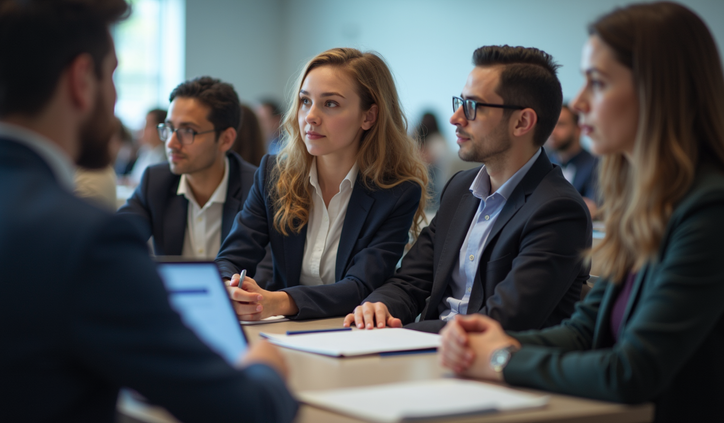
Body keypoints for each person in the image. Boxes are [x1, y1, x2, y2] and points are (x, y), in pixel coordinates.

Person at [0, 1, 297, 422]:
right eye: (112, 76)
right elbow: (243, 411)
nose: (115, 98)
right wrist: (265, 368)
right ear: (82, 81)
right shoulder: (86, 239)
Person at [439, 3, 724, 422]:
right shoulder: (647, 203)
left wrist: (501, 360)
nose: (581, 102)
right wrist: (496, 342)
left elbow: (631, 371)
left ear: (657, 91)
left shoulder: (709, 210)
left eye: (598, 83)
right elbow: (583, 331)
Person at [344, 45, 592, 334]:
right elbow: (409, 280)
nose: (456, 118)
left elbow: (500, 322)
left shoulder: (559, 210)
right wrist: (380, 306)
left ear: (522, 122)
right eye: (459, 102)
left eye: (473, 106)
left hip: (489, 370)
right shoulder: (461, 189)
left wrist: (405, 333)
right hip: (430, 352)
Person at [216, 47, 429, 321]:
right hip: (280, 329)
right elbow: (231, 257)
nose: (311, 117)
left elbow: (360, 286)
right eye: (305, 101)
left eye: (330, 104)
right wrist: (228, 287)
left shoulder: (397, 193)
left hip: (348, 331)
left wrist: (279, 302)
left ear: (369, 117)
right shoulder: (273, 173)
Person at [117, 77, 273, 282]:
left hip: (240, 309)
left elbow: (268, 273)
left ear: (226, 139)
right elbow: (118, 237)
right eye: (170, 129)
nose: (172, 143)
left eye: (187, 131)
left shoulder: (258, 187)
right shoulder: (156, 181)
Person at [546, 104, 599, 218]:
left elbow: (592, 207)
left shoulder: (596, 164)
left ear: (578, 129)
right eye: (551, 124)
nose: (553, 131)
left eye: (560, 124)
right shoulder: (543, 163)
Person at [129, 108, 167, 184]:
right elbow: (134, 179)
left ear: (161, 129)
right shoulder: (145, 151)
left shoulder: (165, 157)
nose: (144, 129)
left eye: (148, 125)